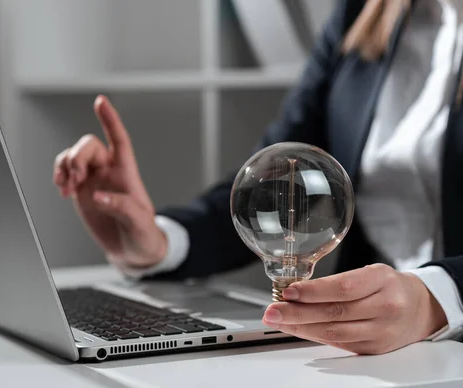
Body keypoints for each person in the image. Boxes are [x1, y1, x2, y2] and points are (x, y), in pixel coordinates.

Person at [53, 0, 463, 355]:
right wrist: (160, 242)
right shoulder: (360, 14)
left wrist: (436, 298)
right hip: (372, 359)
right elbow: (274, 178)